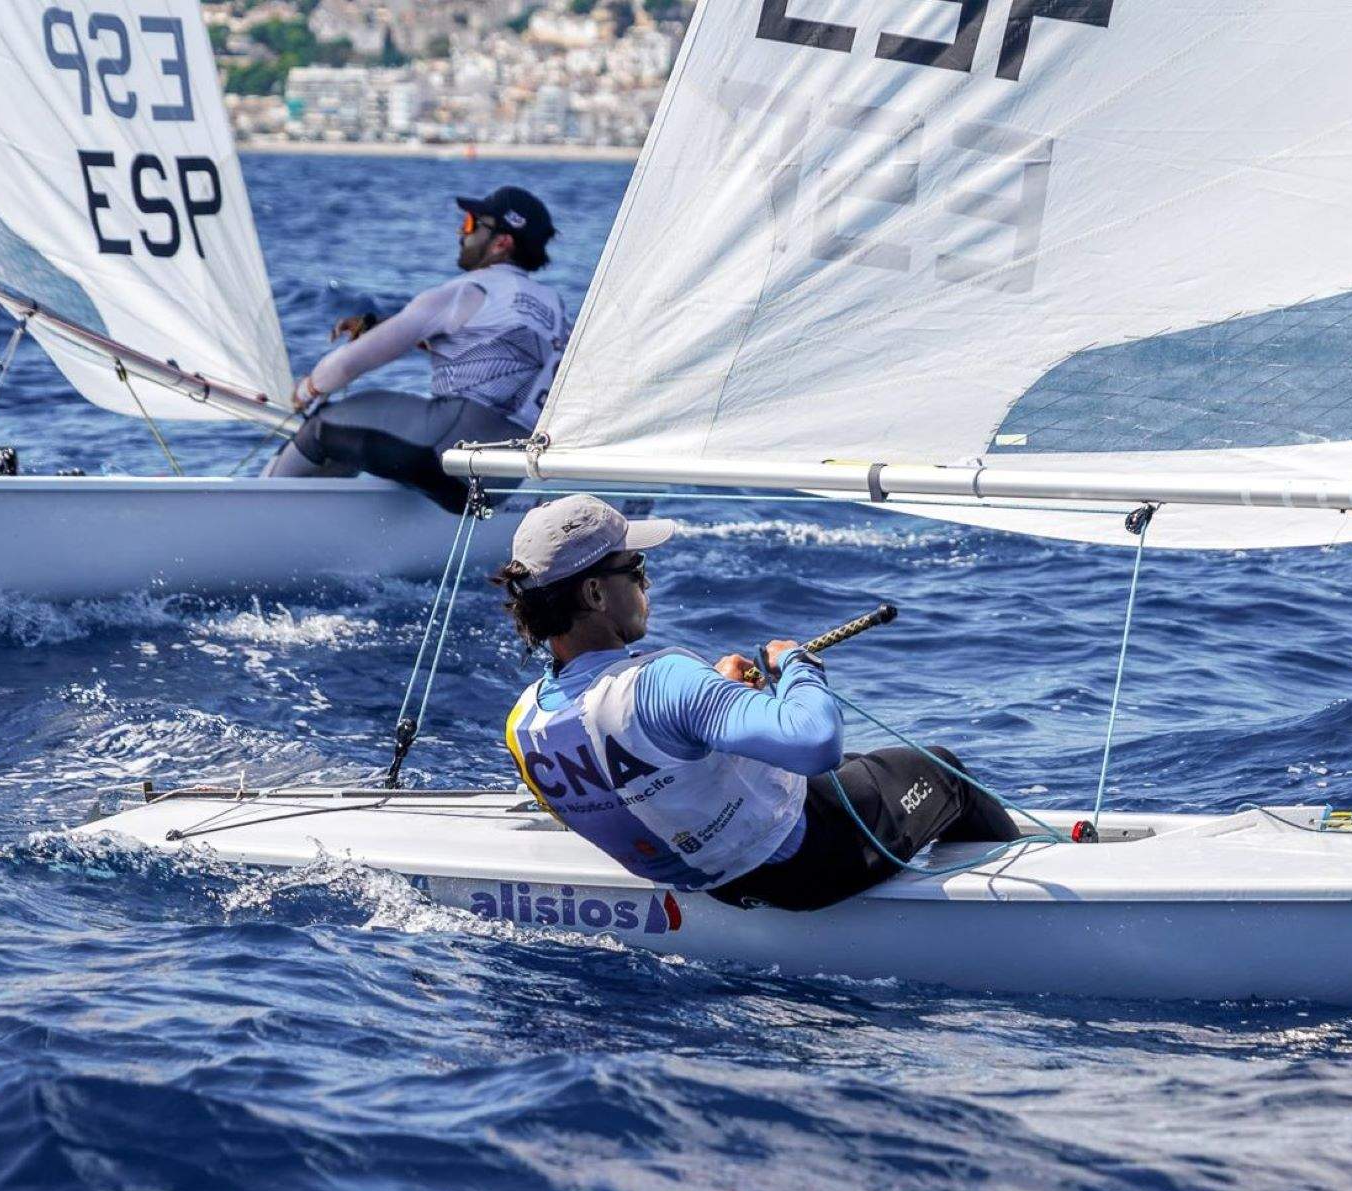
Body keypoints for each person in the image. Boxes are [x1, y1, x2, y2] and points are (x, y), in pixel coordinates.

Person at [493, 494, 1021, 911]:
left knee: (866, 768)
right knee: (943, 772)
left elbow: (635, 773)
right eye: (636, 570)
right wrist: (798, 668)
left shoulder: (525, 723)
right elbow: (816, 744)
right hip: (813, 864)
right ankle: (1020, 904)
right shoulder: (664, 683)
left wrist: (711, 701)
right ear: (593, 595)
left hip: (718, 884)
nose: (645, 583)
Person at [265, 186, 570, 512]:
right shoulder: (554, 307)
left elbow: (344, 367)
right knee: (369, 436)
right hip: (502, 479)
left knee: (324, 426)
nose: (460, 232)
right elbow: (493, 353)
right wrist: (380, 326)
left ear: (501, 242)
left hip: (450, 451)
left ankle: (260, 511)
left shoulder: (467, 290)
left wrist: (308, 389)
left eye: (469, 224)